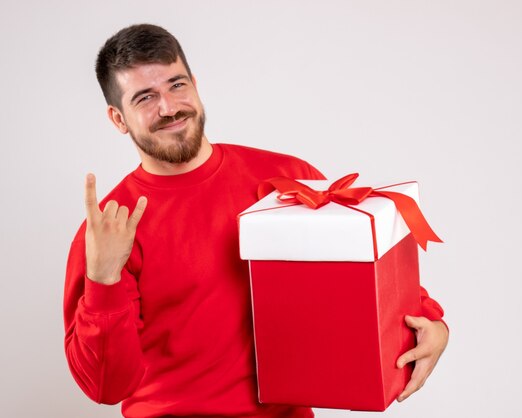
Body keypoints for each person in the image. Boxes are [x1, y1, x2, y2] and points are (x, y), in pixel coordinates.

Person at [63, 23, 449, 418]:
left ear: (195, 84)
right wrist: (103, 280)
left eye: (176, 85)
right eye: (145, 97)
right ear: (118, 118)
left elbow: (360, 278)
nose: (169, 107)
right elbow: (106, 386)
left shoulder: (284, 179)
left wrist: (432, 323)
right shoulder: (108, 231)